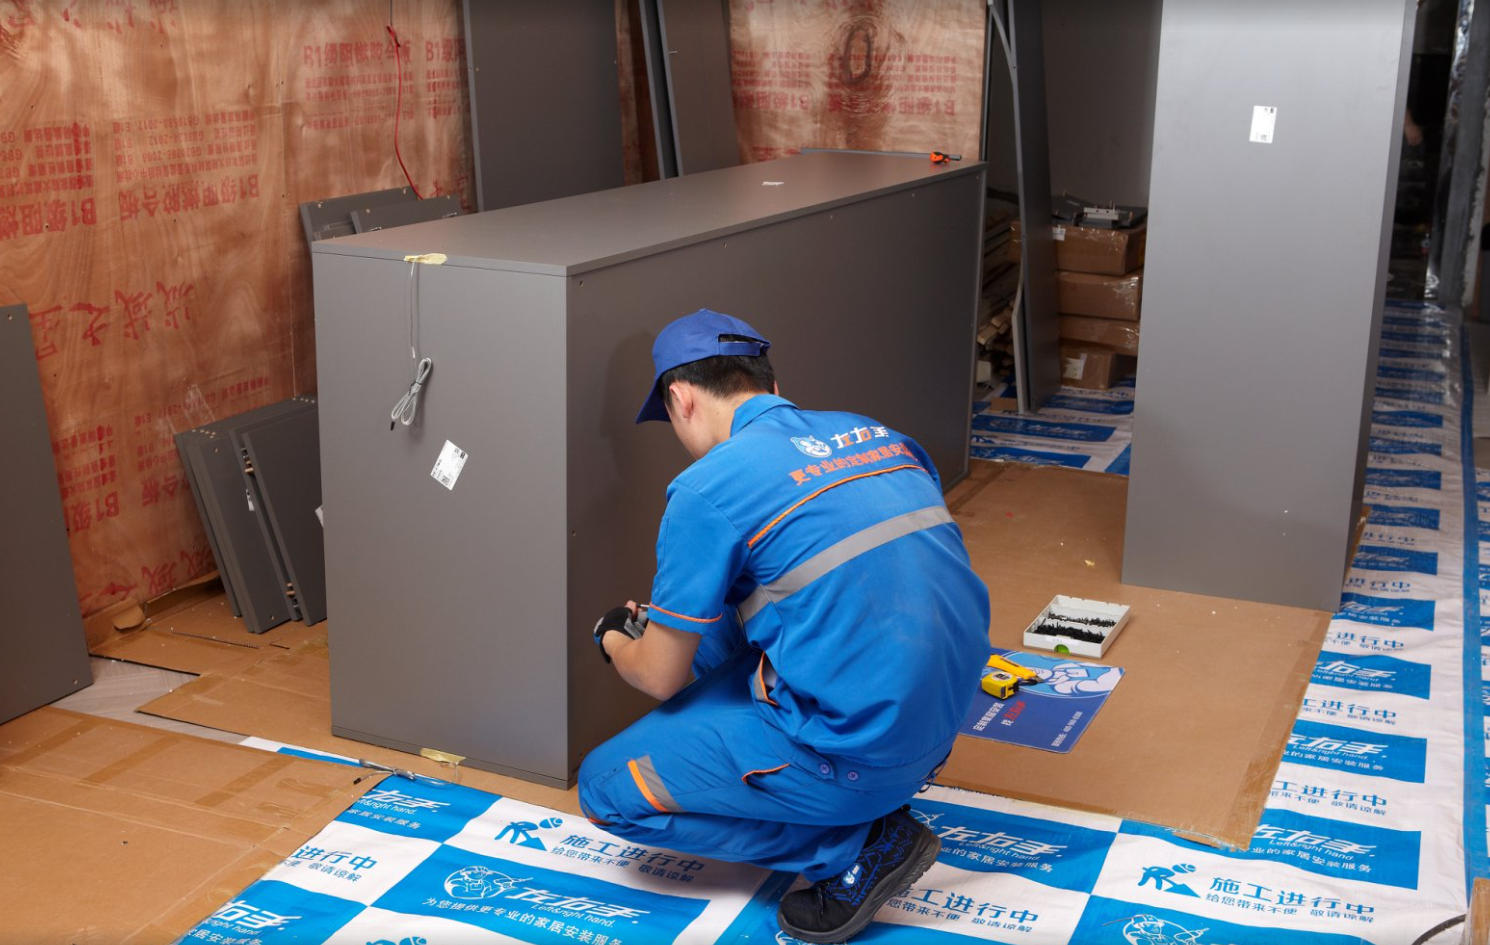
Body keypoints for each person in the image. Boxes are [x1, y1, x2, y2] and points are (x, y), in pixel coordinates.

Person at [577, 308, 991, 944]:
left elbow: (660, 678)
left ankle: (854, 849)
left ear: (681, 399)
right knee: (727, 613)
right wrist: (670, 622)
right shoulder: (880, 436)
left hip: (858, 757)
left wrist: (612, 636)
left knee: (605, 788)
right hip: (940, 727)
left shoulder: (706, 488)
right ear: (770, 385)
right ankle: (830, 787)